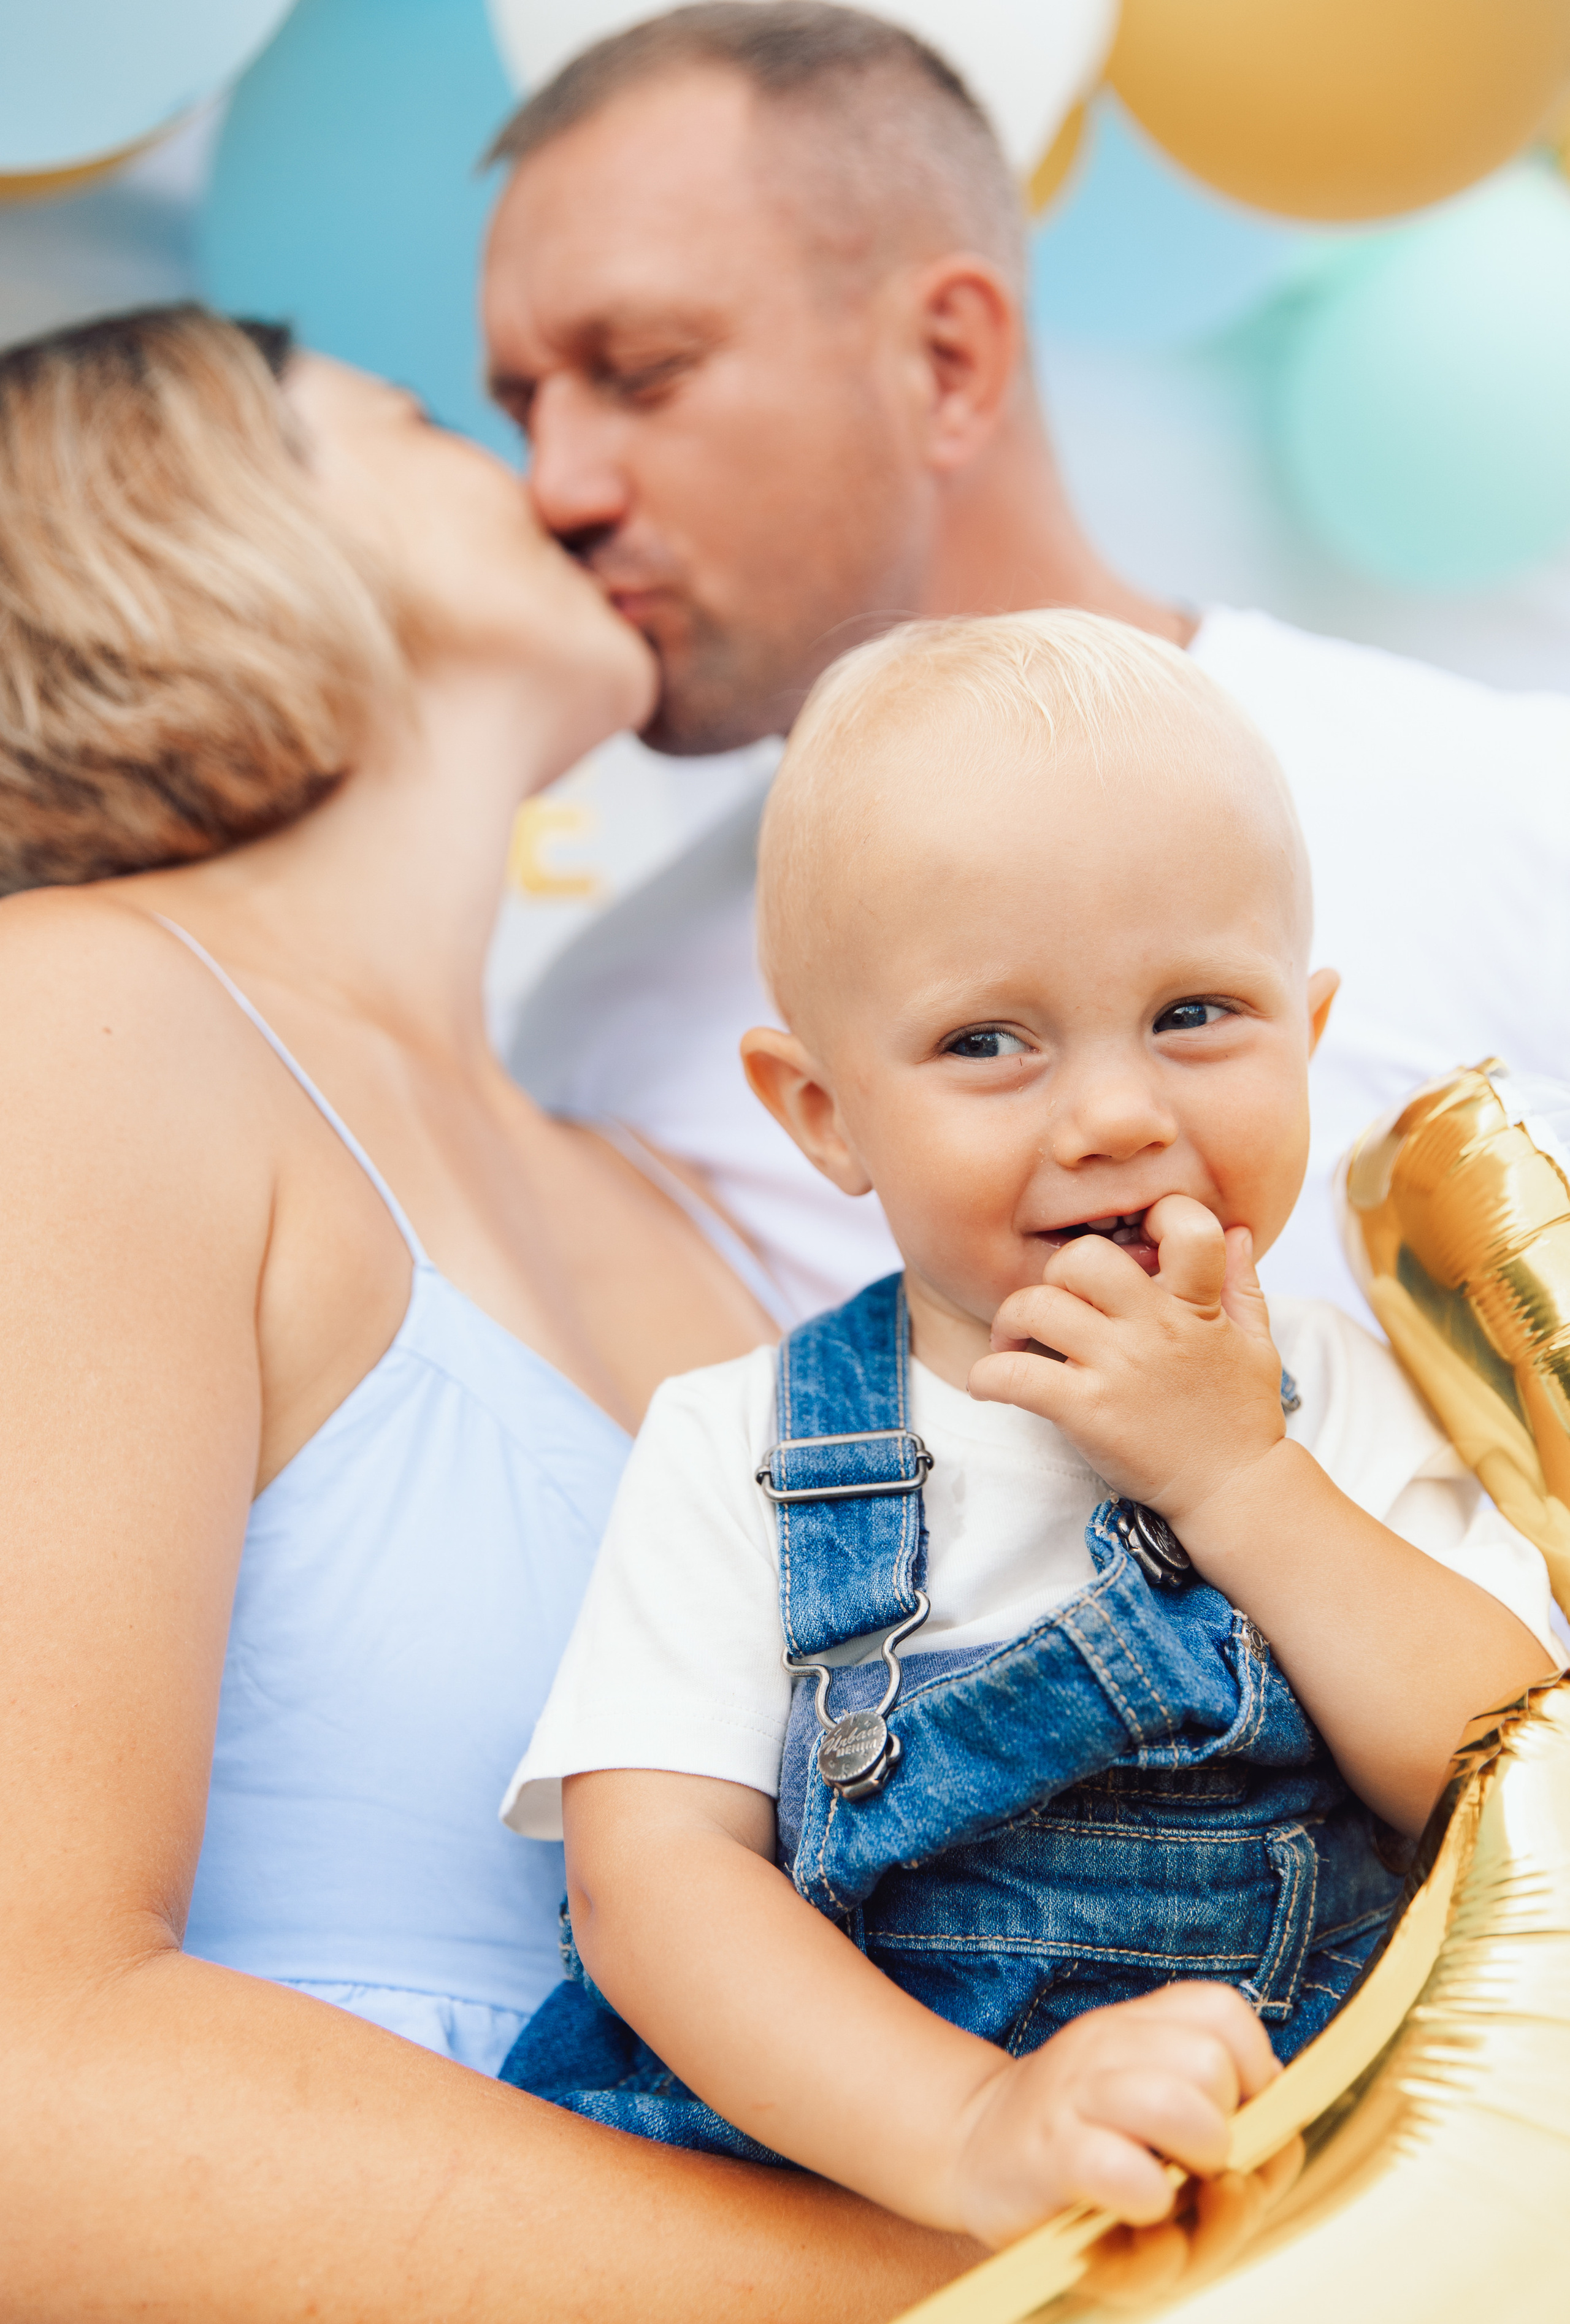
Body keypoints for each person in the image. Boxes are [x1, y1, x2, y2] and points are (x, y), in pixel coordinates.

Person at [0, 301, 989, 2324]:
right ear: (194, 519)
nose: (555, 478)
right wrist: (1024, 2309)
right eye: (433, 420)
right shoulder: (73, 1022)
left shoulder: (666, 1192)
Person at [500, 611, 1561, 2247]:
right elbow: (652, 1883)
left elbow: (1499, 1776)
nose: (1120, 1113)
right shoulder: (743, 1444)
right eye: (988, 1042)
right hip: (874, 2212)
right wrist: (972, 2128)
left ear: (1312, 1032)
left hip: (1310, 2225)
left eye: (1198, 1012)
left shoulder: (1341, 1403)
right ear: (825, 1115)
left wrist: (1241, 1475)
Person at [480, 0, 1570, 1332]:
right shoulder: (600, 1043)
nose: (556, 486)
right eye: (524, 405)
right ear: (811, 1105)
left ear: (946, 363)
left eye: (640, 372)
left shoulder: (1516, 816)